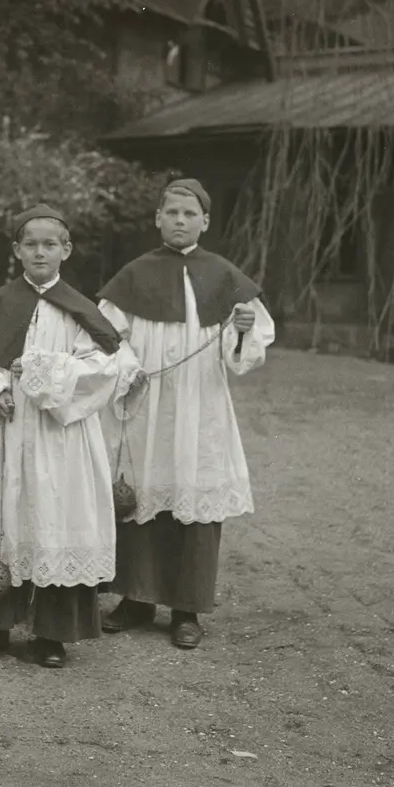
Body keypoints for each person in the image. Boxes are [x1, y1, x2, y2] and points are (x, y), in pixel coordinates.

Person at [0, 205, 143, 669]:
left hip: (59, 436)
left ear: (66, 250)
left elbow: (103, 369)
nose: (40, 251)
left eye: (50, 243)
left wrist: (39, 372)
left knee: (54, 518)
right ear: (16, 250)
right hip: (5, 431)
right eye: (30, 243)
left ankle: (52, 633)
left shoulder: (81, 311)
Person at [96, 177, 275, 649]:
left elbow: (247, 353)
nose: (180, 221)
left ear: (206, 222)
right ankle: (135, 599)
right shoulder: (133, 276)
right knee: (140, 493)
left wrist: (241, 330)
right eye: (172, 213)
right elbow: (103, 338)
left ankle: (186, 609)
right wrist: (125, 370)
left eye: (190, 214)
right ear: (158, 218)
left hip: (200, 405)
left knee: (194, 499)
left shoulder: (225, 276)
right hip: (144, 405)